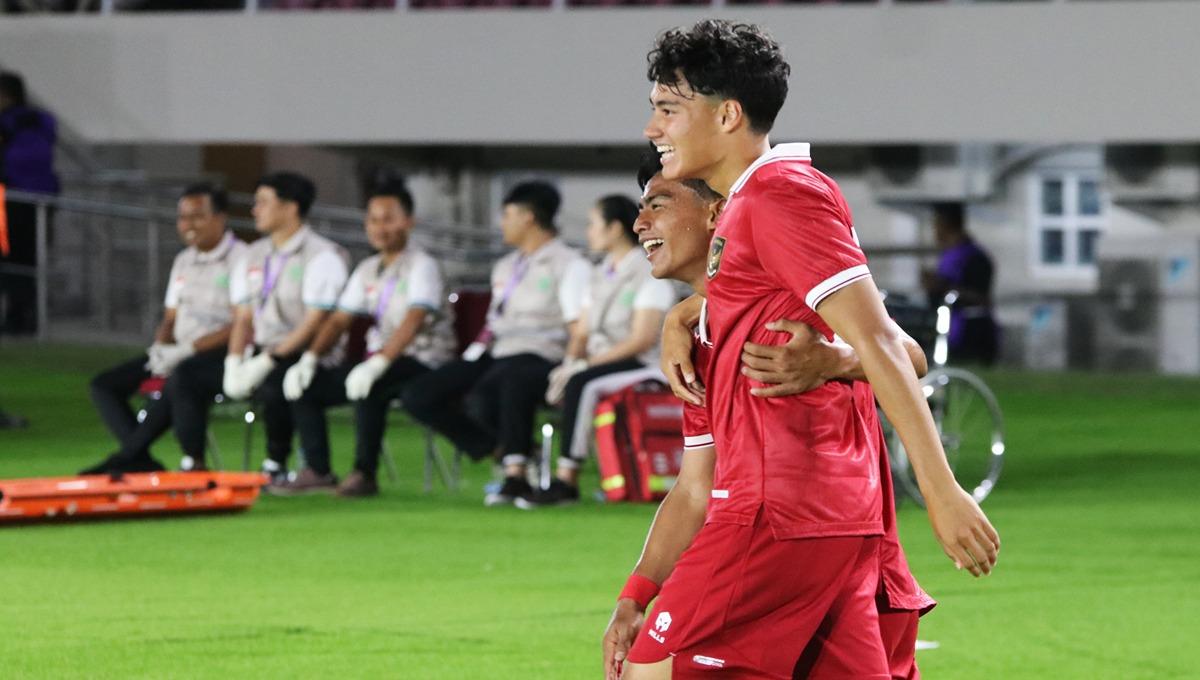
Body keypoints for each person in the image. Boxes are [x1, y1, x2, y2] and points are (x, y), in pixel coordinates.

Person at [622, 21, 999, 678]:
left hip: (776, 513)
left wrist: (941, 491)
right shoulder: (751, 206)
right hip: (828, 517)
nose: (654, 127)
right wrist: (688, 314)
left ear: (728, 114)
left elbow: (884, 341)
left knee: (649, 670)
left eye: (668, 110)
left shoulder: (782, 193)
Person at [604, 153, 935, 680]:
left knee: (650, 671)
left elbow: (903, 352)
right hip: (840, 541)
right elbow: (695, 488)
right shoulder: (701, 340)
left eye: (658, 204)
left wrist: (836, 361)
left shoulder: (788, 285)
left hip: (786, 528)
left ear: (716, 214)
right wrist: (636, 593)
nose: (640, 222)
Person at [400, 181, 590, 507]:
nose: (501, 223)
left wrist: (570, 366)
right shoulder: (505, 267)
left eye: (506, 215)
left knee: (503, 385)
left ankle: (516, 476)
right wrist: (473, 354)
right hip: (498, 352)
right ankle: (500, 449)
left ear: (528, 217)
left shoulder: (571, 265)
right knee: (420, 394)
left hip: (543, 354)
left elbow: (578, 326)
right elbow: (492, 322)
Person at [276, 180, 456, 497]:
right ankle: (318, 470)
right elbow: (338, 320)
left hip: (424, 360)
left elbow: (414, 319)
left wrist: (378, 363)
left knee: (372, 385)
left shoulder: (422, 265)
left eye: (388, 219)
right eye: (373, 220)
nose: (379, 227)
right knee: (308, 386)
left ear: (409, 222)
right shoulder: (367, 269)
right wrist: (310, 358)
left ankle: (364, 473)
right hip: (381, 359)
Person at [179, 171, 348, 485]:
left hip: (310, 354)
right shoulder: (255, 254)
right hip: (262, 350)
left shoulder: (322, 255)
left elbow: (316, 320)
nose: (254, 210)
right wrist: (234, 362)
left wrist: (270, 359)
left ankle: (276, 463)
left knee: (275, 380)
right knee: (187, 373)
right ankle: (193, 461)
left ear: (290, 207)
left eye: (263, 202)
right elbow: (243, 316)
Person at [517, 194, 677, 509]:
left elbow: (642, 340)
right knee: (544, 380)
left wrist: (585, 365)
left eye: (593, 224)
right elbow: (582, 330)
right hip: (601, 361)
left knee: (584, 384)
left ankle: (567, 478)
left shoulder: (649, 272)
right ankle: (521, 468)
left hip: (642, 364)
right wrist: (570, 362)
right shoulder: (600, 273)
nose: (588, 231)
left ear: (614, 228)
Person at [79, 183, 244, 475]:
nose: (188, 225)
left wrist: (186, 351)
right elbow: (170, 317)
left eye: (197, 217)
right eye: (183, 217)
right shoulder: (184, 260)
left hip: (219, 353)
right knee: (104, 385)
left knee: (183, 378)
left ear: (220, 218)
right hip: (177, 352)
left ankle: (177, 460)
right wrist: (161, 349)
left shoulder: (242, 259)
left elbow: (241, 323)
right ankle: (140, 459)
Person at [0, 71, 59, 335]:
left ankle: (19, 318)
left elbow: (20, 163)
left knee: (16, 261)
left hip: (15, 202)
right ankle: (24, 316)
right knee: (25, 261)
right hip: (35, 200)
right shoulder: (36, 122)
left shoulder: (15, 124)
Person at [921, 202, 999, 365]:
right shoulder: (948, 254)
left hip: (971, 332)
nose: (934, 231)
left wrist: (941, 287)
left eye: (936, 224)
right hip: (947, 327)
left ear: (945, 224)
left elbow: (981, 297)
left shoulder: (974, 257)